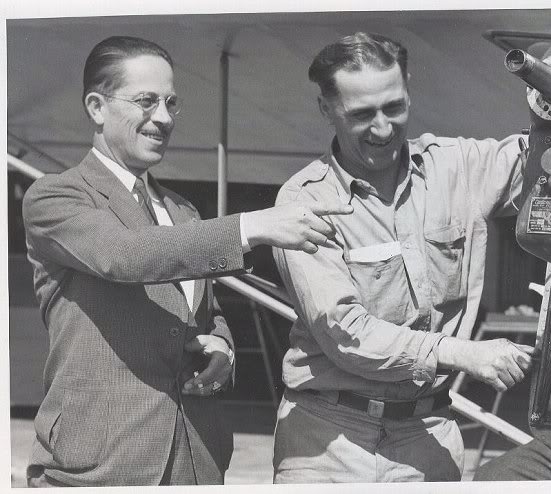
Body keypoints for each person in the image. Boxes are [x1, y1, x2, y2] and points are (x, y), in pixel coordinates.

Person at [22, 35, 351, 487]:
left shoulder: (181, 211)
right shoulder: (56, 197)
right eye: (145, 101)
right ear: (96, 107)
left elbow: (204, 314)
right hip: (97, 468)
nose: (163, 118)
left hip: (195, 461)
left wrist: (221, 347)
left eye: (171, 103)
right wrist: (251, 225)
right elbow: (123, 256)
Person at [271, 31, 536, 483]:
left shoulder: (456, 167)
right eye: (361, 114)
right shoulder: (303, 202)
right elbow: (347, 335)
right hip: (329, 444)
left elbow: (547, 158)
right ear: (325, 110)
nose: (382, 128)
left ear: (408, 89)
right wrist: (461, 353)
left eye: (394, 107)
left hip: (428, 435)